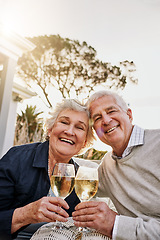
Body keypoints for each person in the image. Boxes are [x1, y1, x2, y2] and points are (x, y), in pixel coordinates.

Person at [0, 99, 94, 240]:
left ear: (85, 142)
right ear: (50, 129)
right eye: (64, 122)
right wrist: (26, 214)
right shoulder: (17, 158)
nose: (69, 131)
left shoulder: (80, 179)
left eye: (79, 128)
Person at [72, 90, 160, 240]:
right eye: (97, 118)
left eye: (111, 111)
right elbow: (77, 182)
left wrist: (116, 225)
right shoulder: (107, 166)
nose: (106, 120)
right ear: (95, 131)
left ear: (129, 115)